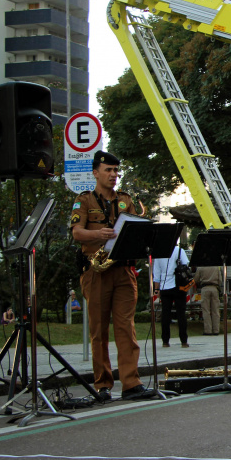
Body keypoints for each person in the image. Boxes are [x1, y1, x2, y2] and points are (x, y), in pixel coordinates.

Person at [70, 150, 152, 401]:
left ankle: (131, 383)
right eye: (108, 170)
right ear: (96, 173)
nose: (114, 175)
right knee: (99, 330)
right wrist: (100, 234)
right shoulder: (83, 200)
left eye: (116, 171)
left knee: (126, 328)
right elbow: (77, 232)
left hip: (124, 271)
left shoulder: (126, 200)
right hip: (96, 271)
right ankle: (102, 385)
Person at [153, 241, 190, 348]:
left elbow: (156, 273)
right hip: (179, 286)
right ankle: (184, 341)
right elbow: (185, 265)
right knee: (181, 314)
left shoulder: (159, 254)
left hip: (165, 287)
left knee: (165, 314)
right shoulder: (179, 251)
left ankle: (165, 341)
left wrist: (156, 289)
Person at [194, 265, 223, 335]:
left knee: (206, 310)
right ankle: (216, 330)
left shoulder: (200, 267)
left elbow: (196, 279)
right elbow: (220, 280)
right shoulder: (216, 267)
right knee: (215, 310)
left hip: (205, 288)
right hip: (214, 288)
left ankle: (208, 330)